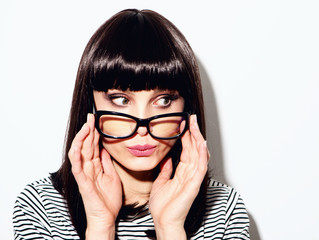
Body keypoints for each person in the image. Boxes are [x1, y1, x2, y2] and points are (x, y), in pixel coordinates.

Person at [13, 9, 250, 239]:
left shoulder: (223, 210)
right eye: (120, 100)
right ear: (90, 105)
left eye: (164, 100)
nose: (143, 129)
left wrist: (170, 228)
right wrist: (100, 227)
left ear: (187, 108)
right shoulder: (42, 207)